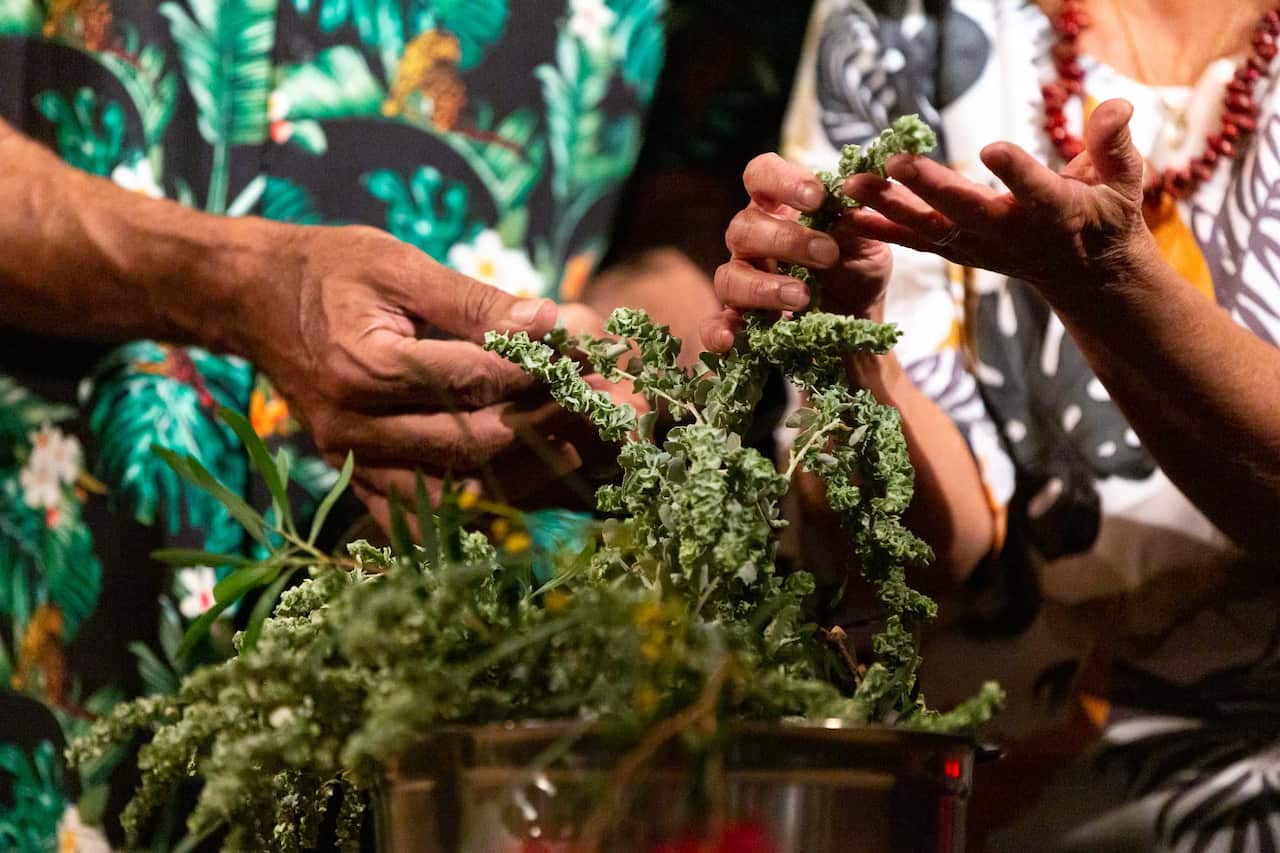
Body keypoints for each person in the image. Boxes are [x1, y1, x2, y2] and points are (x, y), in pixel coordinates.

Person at [0, 2, 723, 849]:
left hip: (471, 656)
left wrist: (596, 373)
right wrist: (230, 279)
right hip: (50, 612)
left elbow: (703, 204)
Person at [706, 0, 1280, 850]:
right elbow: (941, 553)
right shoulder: (904, 19)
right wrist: (854, 352)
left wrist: (1110, 288)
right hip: (984, 803)